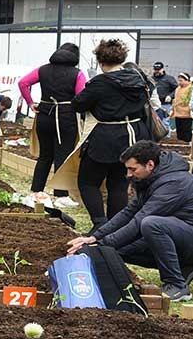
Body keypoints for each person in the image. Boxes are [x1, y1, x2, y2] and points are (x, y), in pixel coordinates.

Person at [67, 140, 193, 302]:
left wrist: (101, 245)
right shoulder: (152, 178)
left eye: (133, 169)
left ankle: (177, 286)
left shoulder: (173, 183)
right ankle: (186, 266)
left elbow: (139, 221)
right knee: (116, 251)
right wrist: (95, 238)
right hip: (183, 235)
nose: (128, 174)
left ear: (150, 165)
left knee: (151, 224)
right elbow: (129, 212)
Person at [65, 38, 155, 226]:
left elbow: (78, 104)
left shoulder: (100, 83)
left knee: (87, 182)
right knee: (119, 185)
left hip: (106, 137)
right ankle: (114, 227)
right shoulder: (139, 79)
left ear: (100, 61)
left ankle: (99, 224)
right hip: (135, 137)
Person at [19, 43, 86, 194]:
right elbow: (81, 96)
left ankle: (36, 191)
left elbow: (23, 83)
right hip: (66, 117)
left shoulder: (43, 69)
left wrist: (30, 103)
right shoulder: (77, 73)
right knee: (63, 155)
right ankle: (60, 194)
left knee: (45, 156)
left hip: (44, 114)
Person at [152, 61, 178, 128]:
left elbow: (177, 89)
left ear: (163, 69)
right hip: (154, 104)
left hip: (165, 104)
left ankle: (166, 138)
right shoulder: (151, 79)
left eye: (159, 70)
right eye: (155, 70)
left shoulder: (169, 79)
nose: (157, 71)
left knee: (165, 121)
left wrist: (170, 96)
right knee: (154, 122)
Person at [172, 72, 193, 143]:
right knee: (179, 131)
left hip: (186, 115)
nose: (179, 82)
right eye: (179, 80)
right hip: (177, 113)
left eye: (181, 80)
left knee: (186, 131)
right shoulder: (178, 89)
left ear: (187, 80)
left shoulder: (191, 88)